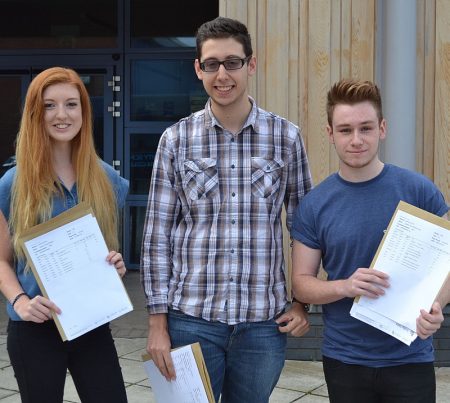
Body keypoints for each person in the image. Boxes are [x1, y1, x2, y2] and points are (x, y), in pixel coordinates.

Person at [141, 16, 312, 403]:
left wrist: (303, 303)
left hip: (263, 325)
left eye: (233, 62)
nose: (223, 74)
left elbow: (304, 227)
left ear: (251, 65)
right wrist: (156, 323)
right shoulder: (176, 140)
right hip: (190, 320)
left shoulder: (286, 137)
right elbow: (157, 237)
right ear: (198, 69)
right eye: (212, 63)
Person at [291, 78, 450, 403]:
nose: (356, 140)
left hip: (410, 356)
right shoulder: (315, 204)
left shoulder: (419, 191)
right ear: (330, 134)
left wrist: (437, 306)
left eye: (365, 128)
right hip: (346, 360)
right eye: (346, 130)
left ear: (382, 128)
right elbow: (301, 284)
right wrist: (345, 286)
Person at [0, 67, 129, 403]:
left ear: (84, 113)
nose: (61, 115)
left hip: (90, 322)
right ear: (34, 114)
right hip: (35, 327)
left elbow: (107, 251)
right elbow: (1, 259)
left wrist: (114, 265)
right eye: (49, 106)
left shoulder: (107, 180)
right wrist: (20, 301)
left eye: (71, 104)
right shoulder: (13, 184)